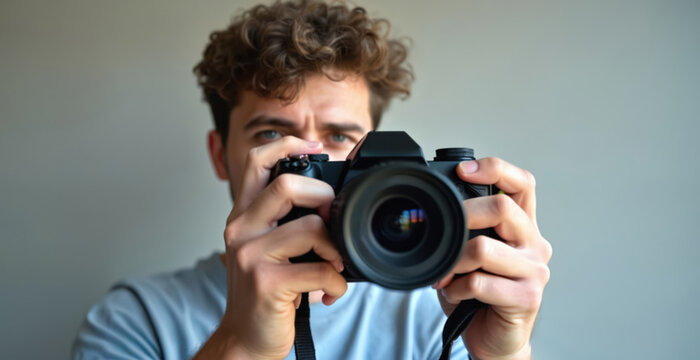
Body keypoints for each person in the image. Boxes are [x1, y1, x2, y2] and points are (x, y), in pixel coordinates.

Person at [72, 1, 552, 359]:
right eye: (273, 134)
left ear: (375, 157)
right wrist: (240, 345)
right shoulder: (135, 319)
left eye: (340, 136)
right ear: (221, 156)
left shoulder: (441, 312)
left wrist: (504, 356)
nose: (308, 158)